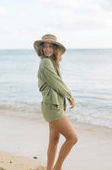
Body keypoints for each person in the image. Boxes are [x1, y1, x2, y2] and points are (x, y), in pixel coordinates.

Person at [33, 34, 78, 170]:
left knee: (54, 141)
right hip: (52, 107)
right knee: (72, 138)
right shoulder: (45, 62)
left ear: (55, 48)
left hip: (51, 105)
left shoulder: (51, 62)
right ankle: (57, 168)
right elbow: (56, 82)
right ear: (41, 49)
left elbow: (55, 83)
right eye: (45, 46)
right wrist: (70, 96)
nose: (47, 49)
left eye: (50, 46)